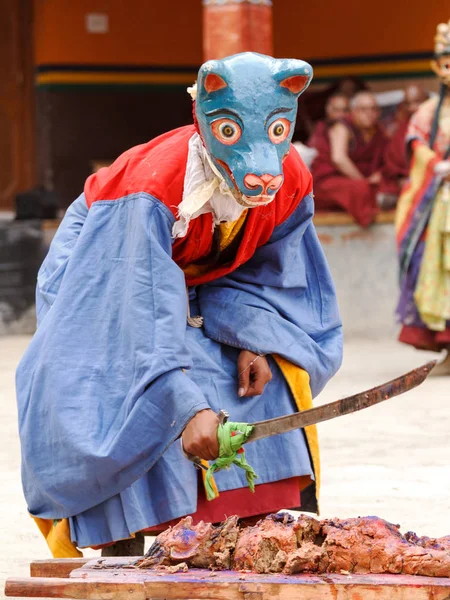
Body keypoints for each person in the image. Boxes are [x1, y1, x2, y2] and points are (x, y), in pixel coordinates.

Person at [16, 53, 343, 558]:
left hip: (199, 276)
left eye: (277, 130)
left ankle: (233, 536)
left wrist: (254, 340)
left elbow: (276, 275)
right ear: (204, 115)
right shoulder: (153, 188)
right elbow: (137, 307)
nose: (260, 167)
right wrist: (184, 404)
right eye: (233, 133)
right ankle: (119, 543)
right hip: (104, 264)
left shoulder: (288, 177)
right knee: (123, 392)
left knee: (262, 380)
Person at [396, 20, 450, 373]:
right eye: (445, 62)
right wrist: (437, 165)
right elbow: (416, 144)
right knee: (435, 270)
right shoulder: (428, 112)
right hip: (439, 201)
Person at [311, 91, 388, 227]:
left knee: (389, 184)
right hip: (331, 180)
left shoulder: (379, 132)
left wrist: (380, 174)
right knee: (360, 189)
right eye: (363, 109)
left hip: (359, 179)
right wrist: (364, 181)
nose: (369, 113)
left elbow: (387, 160)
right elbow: (338, 158)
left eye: (373, 109)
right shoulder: (342, 127)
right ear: (354, 112)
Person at [380, 85, 429, 207]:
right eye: (408, 104)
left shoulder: (439, 125)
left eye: (417, 102)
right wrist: (400, 178)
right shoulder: (402, 128)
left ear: (427, 101)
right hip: (407, 180)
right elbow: (392, 162)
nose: (412, 108)